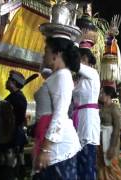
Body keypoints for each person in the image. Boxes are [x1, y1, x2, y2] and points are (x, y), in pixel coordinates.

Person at [33, 36, 81, 179]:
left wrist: (46, 149)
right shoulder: (56, 76)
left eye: (46, 51)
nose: (44, 55)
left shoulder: (63, 76)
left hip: (58, 149)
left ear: (57, 54)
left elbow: (59, 115)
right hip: (50, 142)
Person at [73, 46, 101, 179]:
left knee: (87, 161)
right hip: (78, 119)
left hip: (88, 120)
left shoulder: (92, 73)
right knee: (78, 162)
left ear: (84, 59)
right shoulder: (79, 80)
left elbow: (74, 64)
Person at [0, 70, 28, 180]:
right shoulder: (13, 96)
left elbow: (17, 119)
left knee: (10, 165)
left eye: (8, 80)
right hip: (10, 136)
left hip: (13, 136)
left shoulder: (18, 98)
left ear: (14, 83)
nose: (6, 82)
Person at [97, 86, 121, 180]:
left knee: (112, 166)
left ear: (108, 95)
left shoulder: (114, 108)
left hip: (110, 140)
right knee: (101, 166)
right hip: (101, 140)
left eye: (102, 93)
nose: (100, 95)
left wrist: (112, 147)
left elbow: (117, 128)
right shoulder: (101, 107)